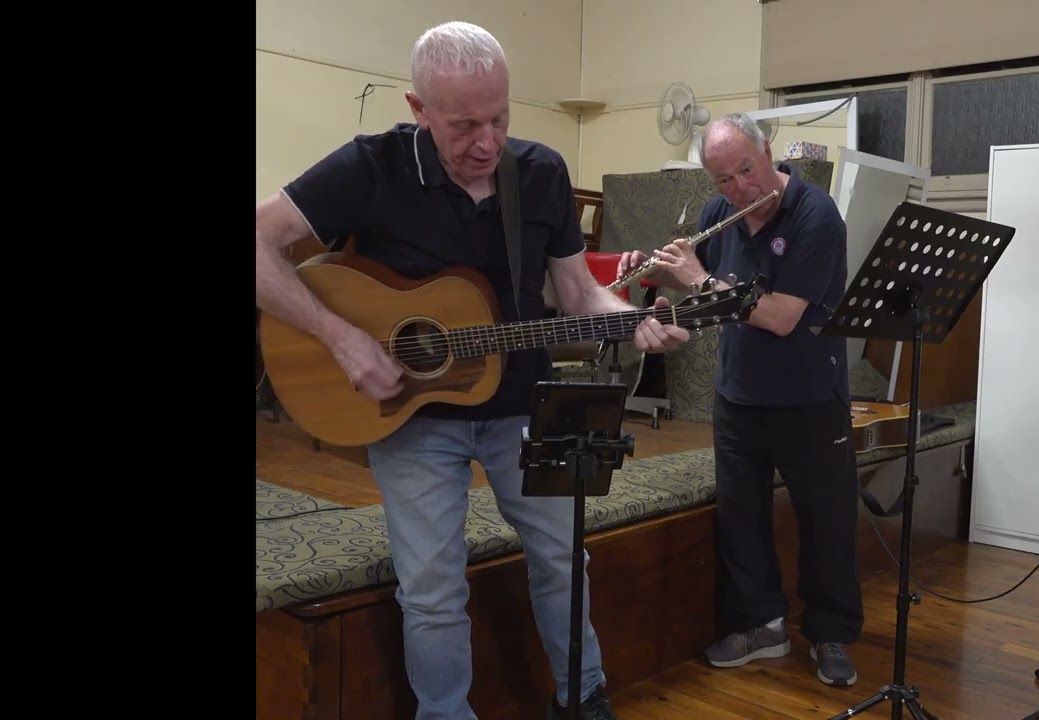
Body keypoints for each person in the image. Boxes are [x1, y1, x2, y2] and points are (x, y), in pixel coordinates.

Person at [255, 20, 690, 720]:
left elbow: (579, 294)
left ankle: (583, 697)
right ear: (418, 109)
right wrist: (340, 337)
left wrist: (630, 318)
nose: (486, 142)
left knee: (562, 557)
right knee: (432, 586)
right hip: (412, 415)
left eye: (499, 117)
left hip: (522, 399)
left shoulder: (540, 173)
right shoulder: (371, 167)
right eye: (462, 125)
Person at [616, 112, 864, 687]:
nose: (739, 191)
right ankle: (761, 625)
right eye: (723, 181)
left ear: (767, 151)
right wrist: (662, 306)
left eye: (746, 172)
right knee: (742, 518)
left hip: (809, 396)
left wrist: (697, 280)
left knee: (825, 521)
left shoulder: (817, 215)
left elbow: (778, 316)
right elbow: (712, 310)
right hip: (740, 395)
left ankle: (830, 632)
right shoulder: (718, 215)